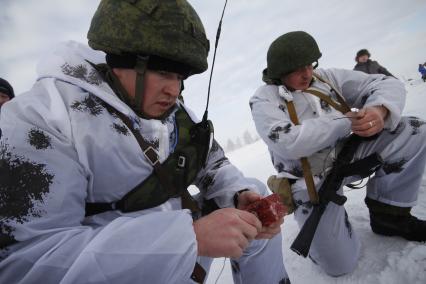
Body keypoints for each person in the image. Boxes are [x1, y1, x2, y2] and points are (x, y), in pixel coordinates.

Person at [0, 1, 289, 283]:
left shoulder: (174, 112)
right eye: (164, 72)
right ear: (121, 61)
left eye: (180, 76)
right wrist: (187, 239)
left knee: (255, 195)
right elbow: (29, 260)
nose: (174, 90)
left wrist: (237, 193)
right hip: (126, 270)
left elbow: (212, 163)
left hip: (188, 249)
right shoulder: (42, 119)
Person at [250, 31, 426, 277]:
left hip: (350, 155)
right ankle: (325, 238)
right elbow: (288, 141)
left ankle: (389, 216)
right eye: (297, 69)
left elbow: (386, 83)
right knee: (340, 265)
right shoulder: (263, 99)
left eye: (310, 65)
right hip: (311, 181)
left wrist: (378, 111)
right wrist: (346, 121)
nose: (307, 74)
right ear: (280, 71)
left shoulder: (327, 77)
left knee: (414, 130)